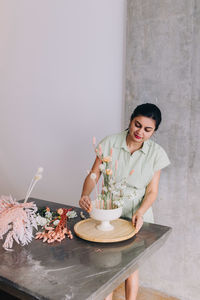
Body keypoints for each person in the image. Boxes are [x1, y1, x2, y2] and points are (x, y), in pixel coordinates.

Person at [79, 103, 170, 300]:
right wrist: (85, 194)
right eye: (137, 125)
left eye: (148, 130)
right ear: (130, 120)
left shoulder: (157, 153)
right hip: (108, 211)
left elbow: (152, 191)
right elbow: (94, 174)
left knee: (131, 267)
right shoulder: (110, 143)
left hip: (137, 214)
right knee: (106, 266)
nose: (140, 132)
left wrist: (141, 212)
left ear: (154, 131)